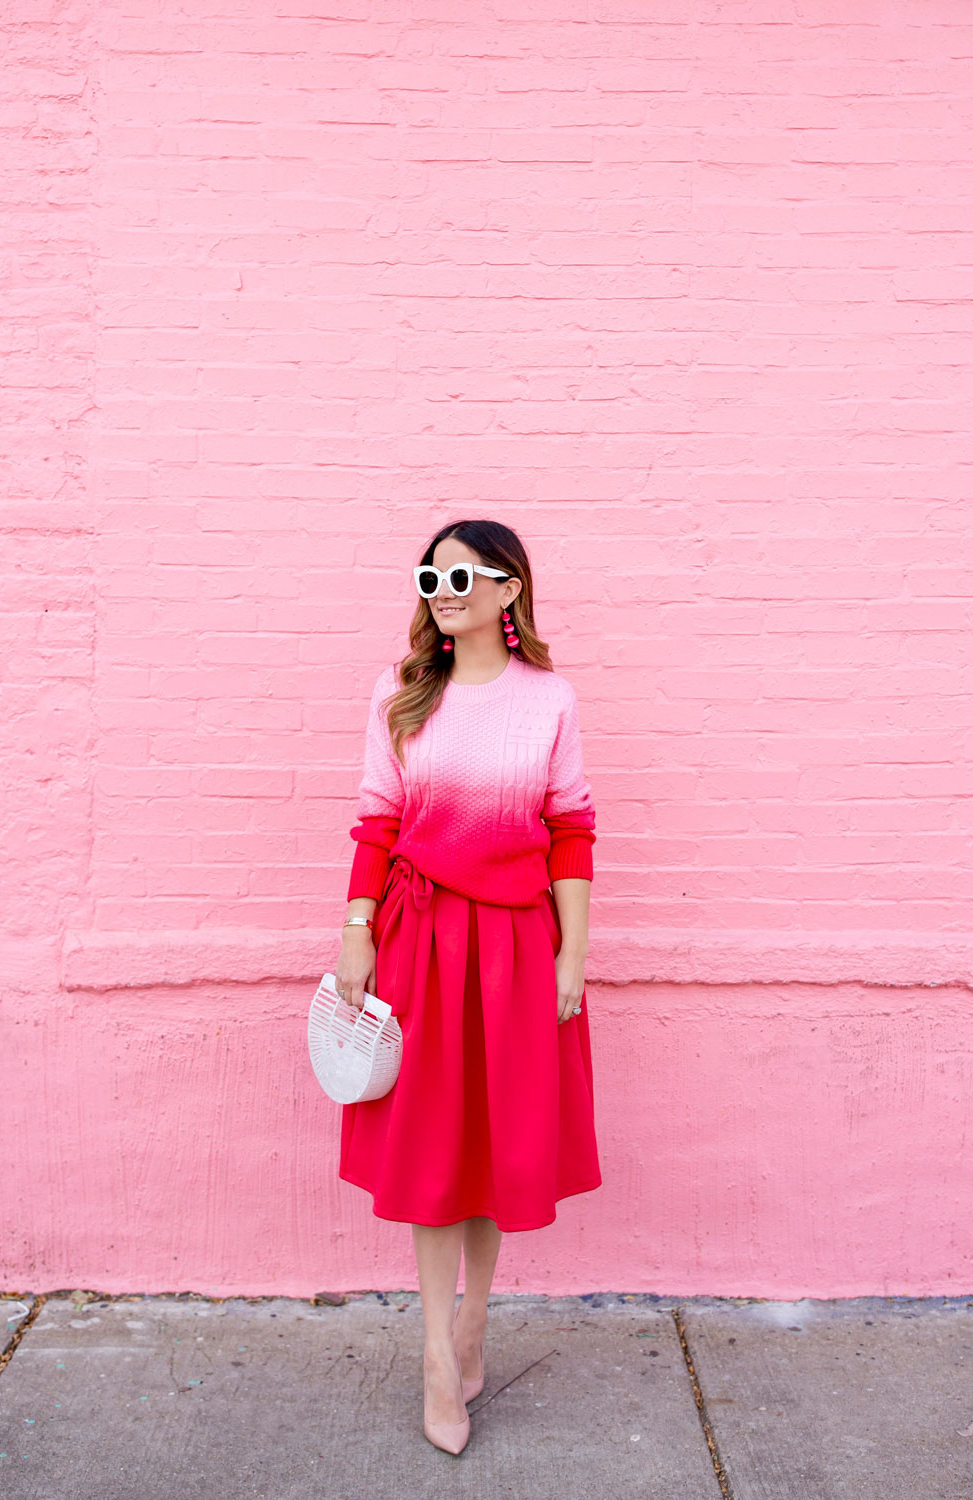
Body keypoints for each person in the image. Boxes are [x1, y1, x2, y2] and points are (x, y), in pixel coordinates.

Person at [334, 518, 601, 1454]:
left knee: (492, 1145)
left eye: (461, 576)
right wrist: (356, 929)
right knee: (430, 1153)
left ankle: (475, 1320)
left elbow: (570, 828)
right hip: (419, 939)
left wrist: (572, 955)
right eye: (429, 576)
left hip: (520, 948)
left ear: (507, 590)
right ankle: (436, 1359)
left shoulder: (551, 700)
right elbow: (377, 819)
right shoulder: (403, 693)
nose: (442, 591)